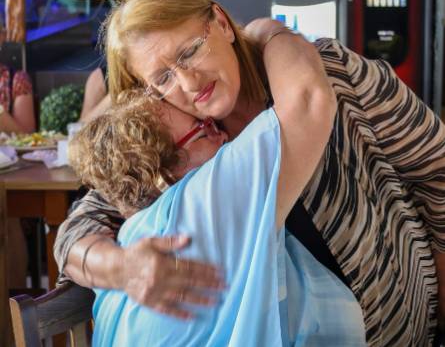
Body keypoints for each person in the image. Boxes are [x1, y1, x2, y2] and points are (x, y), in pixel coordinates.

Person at [54, 0, 445, 346]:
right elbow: (77, 229)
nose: (189, 83)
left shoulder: (328, 70)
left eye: (190, 51)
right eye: (163, 79)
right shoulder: (170, 144)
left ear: (221, 23)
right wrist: (123, 268)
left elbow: (437, 171)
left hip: (397, 323)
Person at [67, 67, 365, 344]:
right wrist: (271, 35)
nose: (222, 134)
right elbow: (308, 98)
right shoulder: (206, 198)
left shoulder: (132, 235)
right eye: (203, 129)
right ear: (162, 175)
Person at [0, 60, 36, 289]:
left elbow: (28, 138)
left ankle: (12, 301)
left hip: (12, 177)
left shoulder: (16, 80)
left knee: (7, 213)